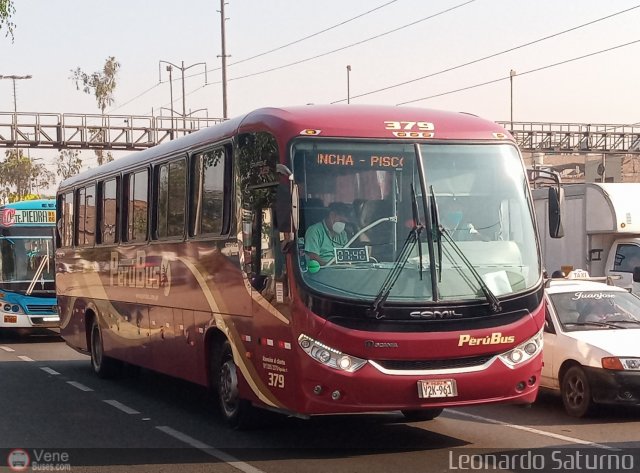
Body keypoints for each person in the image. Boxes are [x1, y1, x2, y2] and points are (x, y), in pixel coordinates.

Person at [304, 202, 352, 266]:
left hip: (343, 271)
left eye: (345, 222)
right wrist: (330, 265)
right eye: (341, 221)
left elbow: (346, 256)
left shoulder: (343, 234)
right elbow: (313, 258)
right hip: (322, 272)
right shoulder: (314, 231)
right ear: (332, 216)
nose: (343, 225)